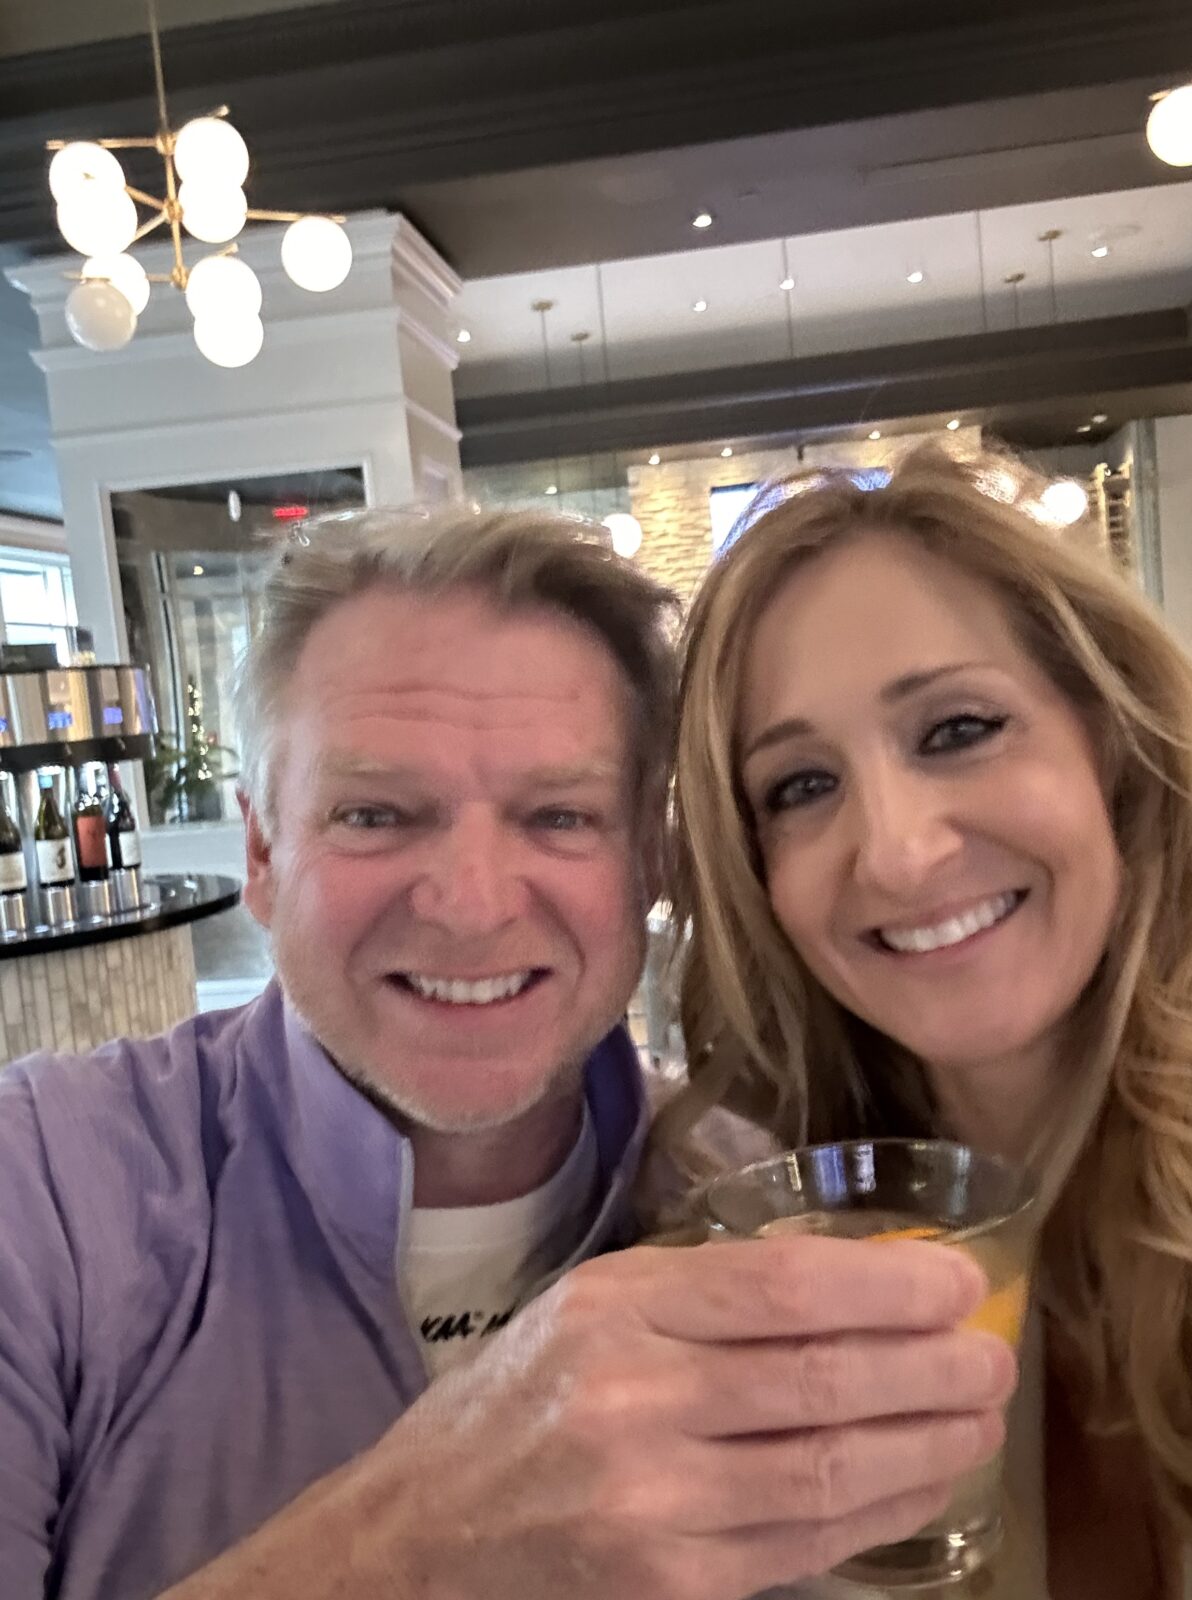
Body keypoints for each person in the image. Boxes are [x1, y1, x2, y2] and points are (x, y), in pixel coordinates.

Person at [0, 504, 1013, 1600]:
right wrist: (410, 1545)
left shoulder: (768, 1194)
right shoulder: (42, 1192)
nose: (473, 907)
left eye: (561, 817)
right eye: (377, 814)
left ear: (652, 859)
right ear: (261, 849)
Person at [661, 444, 1192, 1599]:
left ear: (1109, 735)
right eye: (801, 787)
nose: (901, 854)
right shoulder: (760, 1239)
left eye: (959, 729)